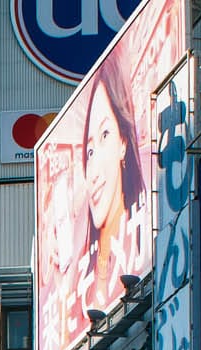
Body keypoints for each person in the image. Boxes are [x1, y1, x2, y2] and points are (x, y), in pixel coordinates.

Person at [77, 58, 146, 317]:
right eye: (89, 151)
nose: (93, 171)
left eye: (105, 135)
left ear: (123, 143)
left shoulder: (146, 238)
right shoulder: (78, 286)